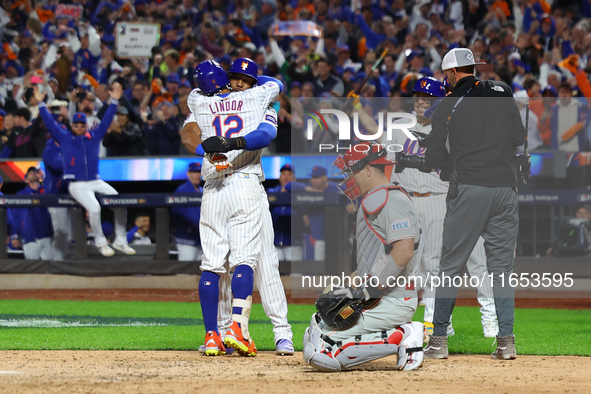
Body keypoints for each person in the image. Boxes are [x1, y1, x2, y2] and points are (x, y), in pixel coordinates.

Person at [422, 48, 526, 360]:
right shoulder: (502, 90)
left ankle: (439, 341)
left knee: (450, 267)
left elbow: (433, 158)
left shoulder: (447, 106)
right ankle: (506, 342)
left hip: (469, 189)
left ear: (452, 74)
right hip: (506, 190)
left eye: (447, 75)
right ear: (472, 68)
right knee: (502, 270)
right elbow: (519, 137)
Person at [181, 60, 283, 357]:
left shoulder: (196, 100)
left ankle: (213, 335)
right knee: (244, 261)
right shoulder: (256, 95)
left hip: (212, 186)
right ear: (226, 77)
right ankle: (238, 328)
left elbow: (189, 135)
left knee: (211, 264)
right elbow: (277, 85)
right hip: (244, 183)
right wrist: (232, 141)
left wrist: (209, 148)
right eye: (232, 77)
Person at [389, 77, 499, 340]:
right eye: (418, 96)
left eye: (427, 98)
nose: (420, 101)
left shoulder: (450, 130)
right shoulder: (398, 128)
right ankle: (428, 322)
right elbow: (385, 159)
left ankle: (433, 324)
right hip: (407, 200)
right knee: (411, 266)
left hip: (438, 198)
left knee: (436, 264)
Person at [303, 142, 424, 372]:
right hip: (378, 297)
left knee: (321, 352)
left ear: (368, 169)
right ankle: (394, 332)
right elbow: (382, 254)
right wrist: (358, 278)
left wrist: (369, 288)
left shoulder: (392, 199)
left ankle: (406, 334)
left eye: (351, 171)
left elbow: (404, 251)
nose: (348, 179)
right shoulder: (377, 198)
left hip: (393, 299)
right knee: (316, 325)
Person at [34, 83, 136, 258]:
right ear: (72, 126)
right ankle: (100, 242)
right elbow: (50, 123)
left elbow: (105, 121)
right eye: (77, 124)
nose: (80, 127)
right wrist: (41, 105)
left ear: (86, 126)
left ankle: (120, 240)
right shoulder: (65, 139)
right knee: (95, 208)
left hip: (95, 181)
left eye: (82, 124)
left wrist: (115, 101)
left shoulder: (94, 137)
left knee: (120, 203)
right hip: (77, 185)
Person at [11, 167, 53, 260]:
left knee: (50, 269)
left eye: (35, 172)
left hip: (46, 236)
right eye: (30, 173)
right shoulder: (21, 194)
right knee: (33, 269)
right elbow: (16, 216)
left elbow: (53, 186)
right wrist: (14, 235)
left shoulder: (44, 191)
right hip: (30, 237)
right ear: (26, 179)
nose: (33, 174)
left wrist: (43, 177)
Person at [42, 138, 72, 260]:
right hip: (55, 197)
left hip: (68, 195)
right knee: (61, 231)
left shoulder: (68, 148)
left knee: (68, 235)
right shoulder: (49, 150)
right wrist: (75, 160)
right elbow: (58, 165)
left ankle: (61, 261)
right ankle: (57, 262)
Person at [172, 162, 203, 262]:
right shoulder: (182, 190)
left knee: (200, 274)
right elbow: (178, 211)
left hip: (200, 241)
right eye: (194, 172)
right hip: (186, 241)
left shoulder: (202, 190)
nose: (197, 175)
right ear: (188, 173)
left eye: (199, 172)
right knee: (184, 273)